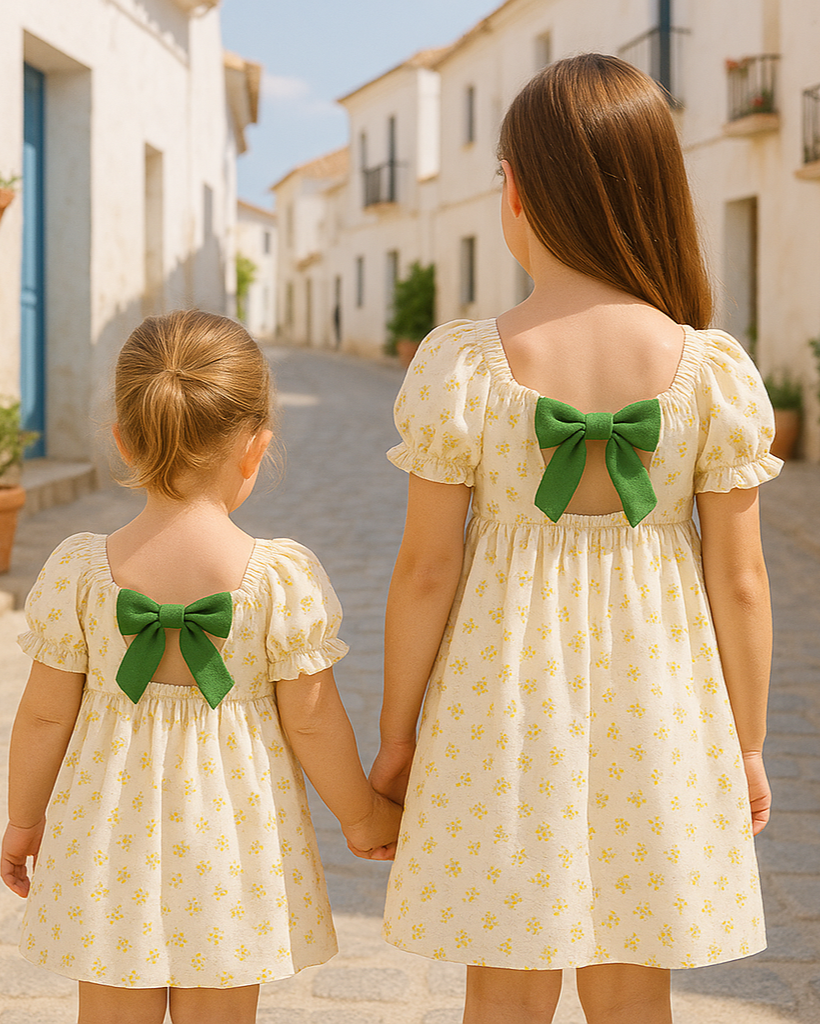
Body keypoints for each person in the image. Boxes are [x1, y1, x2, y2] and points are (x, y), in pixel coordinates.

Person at [369, 54, 781, 1024]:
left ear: (514, 191)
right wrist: (749, 744)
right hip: (662, 704)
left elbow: (425, 570)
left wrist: (396, 735)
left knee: (504, 978)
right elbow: (742, 581)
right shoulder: (711, 370)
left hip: (499, 703)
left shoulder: (464, 365)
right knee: (635, 977)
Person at [1, 310, 402, 1024]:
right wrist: (362, 816)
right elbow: (313, 722)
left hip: (107, 830)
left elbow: (42, 716)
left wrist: (23, 821)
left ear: (123, 439)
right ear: (255, 447)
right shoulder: (280, 579)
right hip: (232, 832)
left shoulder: (79, 572)